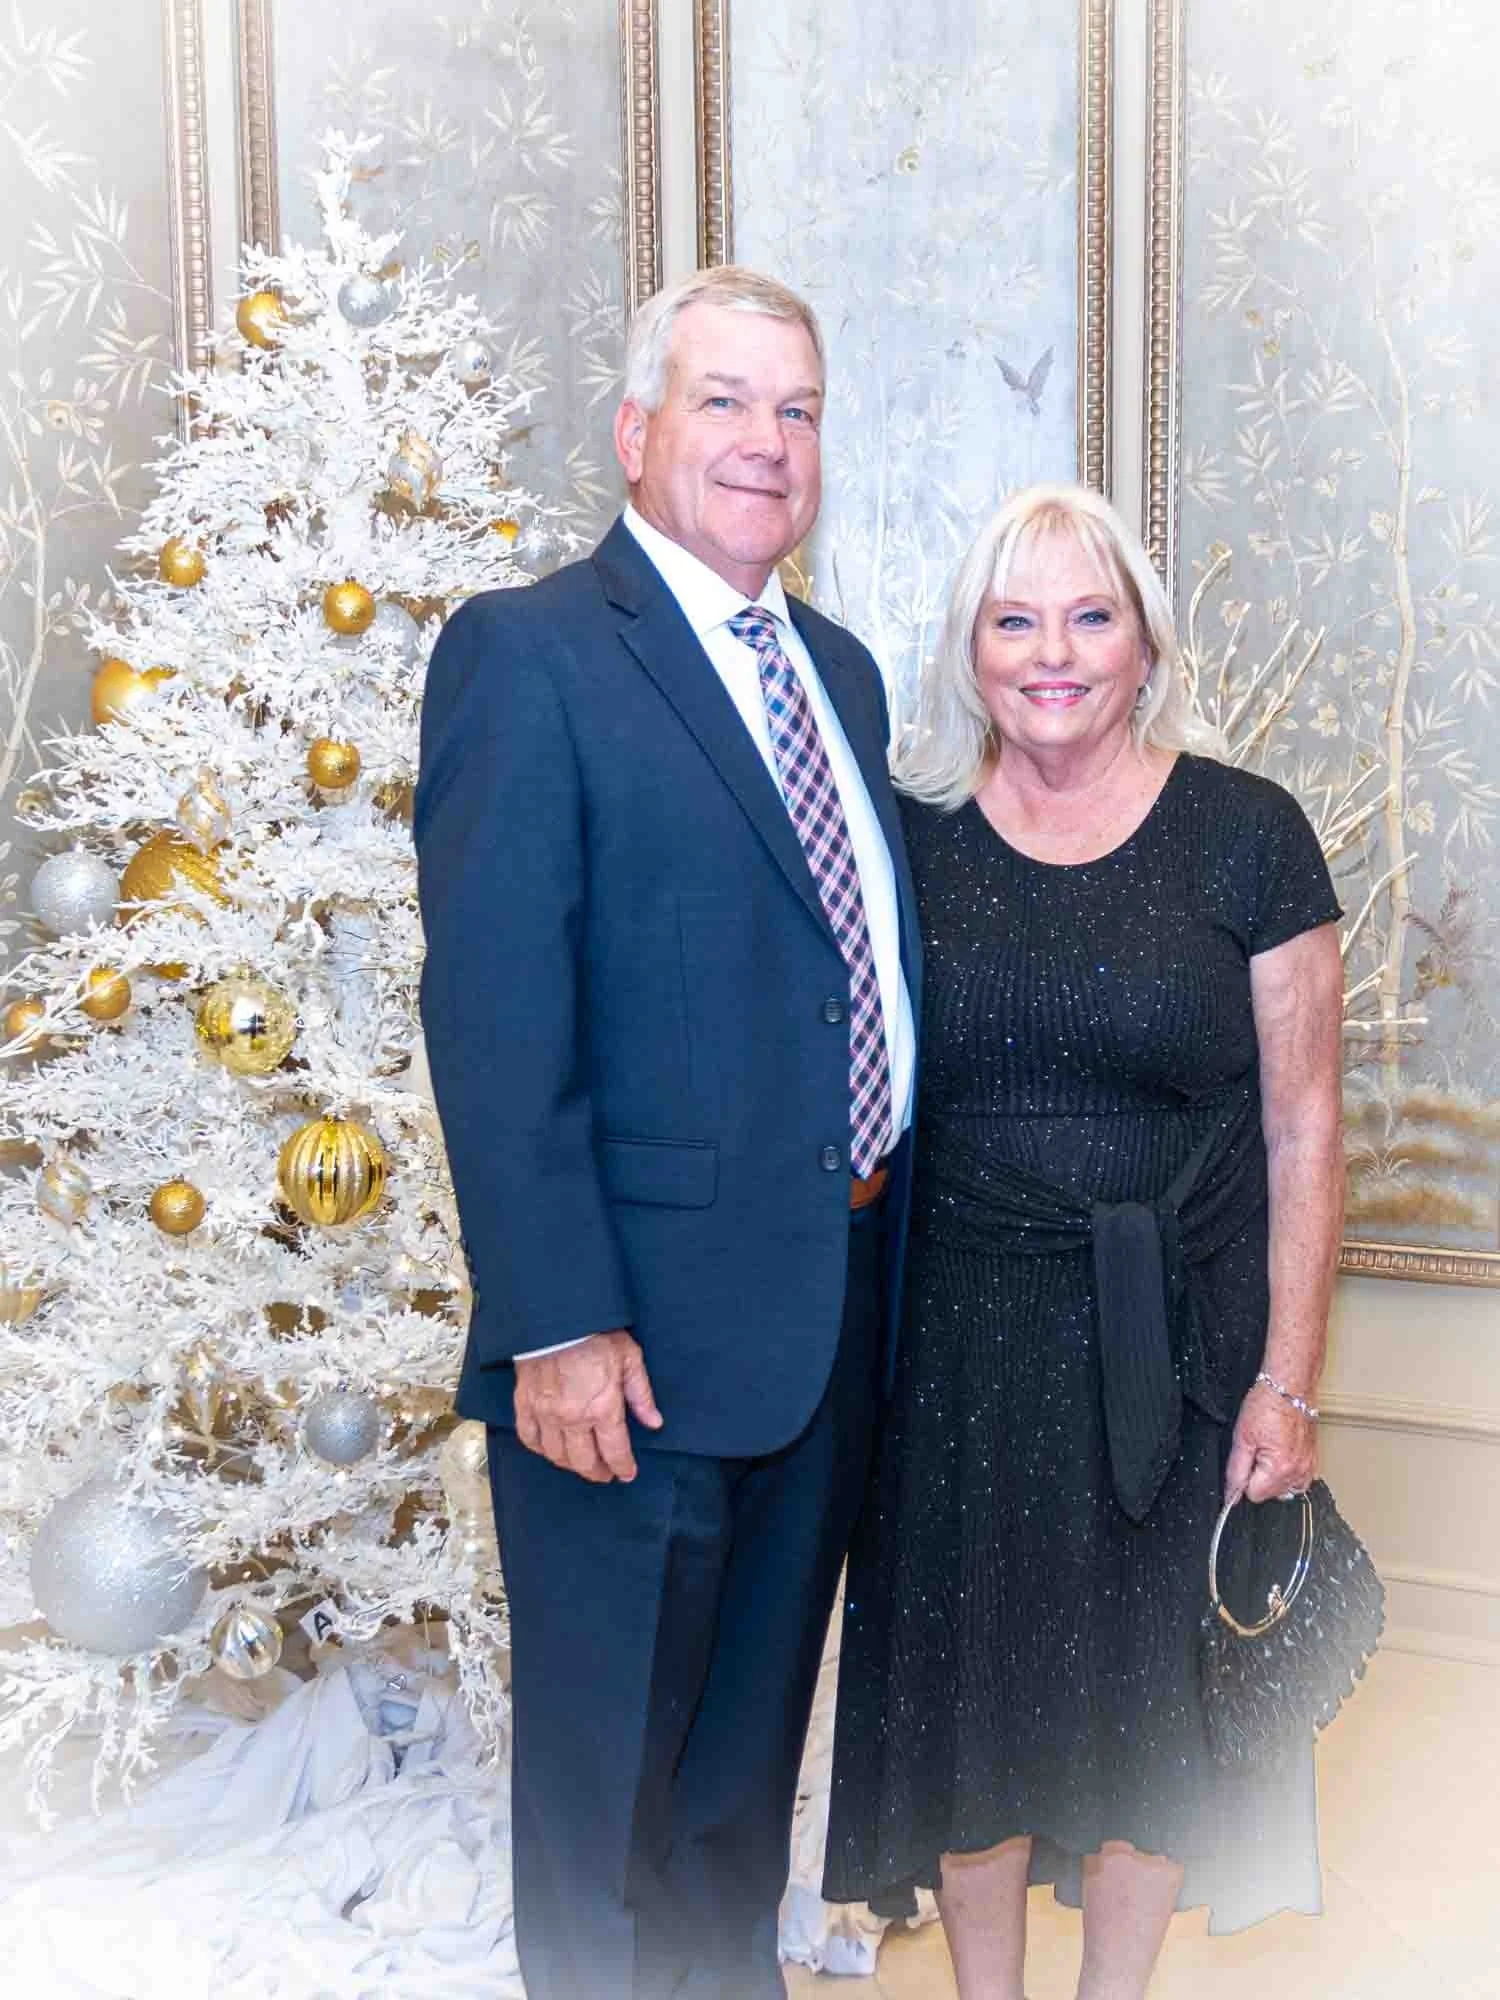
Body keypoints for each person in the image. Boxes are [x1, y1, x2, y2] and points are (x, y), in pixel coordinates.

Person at [414, 266, 919, 2000]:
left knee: (731, 1810)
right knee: (607, 1806)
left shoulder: (838, 676)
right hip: (620, 1349)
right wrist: (555, 1318)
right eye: (723, 401)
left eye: (798, 410)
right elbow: (495, 1019)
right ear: (636, 434)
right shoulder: (529, 654)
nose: (766, 443)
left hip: (826, 1321)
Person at [824, 484, 1344, 2000]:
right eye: (1014, 619)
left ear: (1143, 645)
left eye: (1089, 615)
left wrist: (1289, 1381)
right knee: (968, 1706)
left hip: (1179, 1347)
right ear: (970, 650)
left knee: (1150, 1707)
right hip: (954, 1350)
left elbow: (1306, 1128)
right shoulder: (908, 843)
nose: (1052, 654)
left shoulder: (1249, 836)